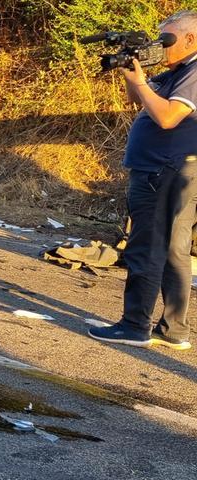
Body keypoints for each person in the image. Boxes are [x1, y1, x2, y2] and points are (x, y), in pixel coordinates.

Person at [89, 10, 197, 351]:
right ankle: (174, 329)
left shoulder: (194, 72)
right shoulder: (176, 73)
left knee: (146, 248)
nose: (162, 46)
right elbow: (140, 100)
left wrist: (138, 81)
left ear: (191, 39)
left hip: (164, 171)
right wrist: (131, 73)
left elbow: (166, 117)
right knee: (173, 250)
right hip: (168, 170)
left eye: (168, 39)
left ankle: (135, 326)